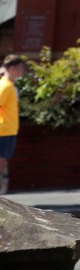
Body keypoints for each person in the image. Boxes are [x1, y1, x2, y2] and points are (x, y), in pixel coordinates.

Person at [0, 56, 28, 195]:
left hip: (7, 129)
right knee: (1, 161)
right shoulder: (4, 86)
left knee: (3, 161)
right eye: (20, 68)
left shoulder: (9, 86)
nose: (23, 71)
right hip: (3, 130)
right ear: (12, 69)